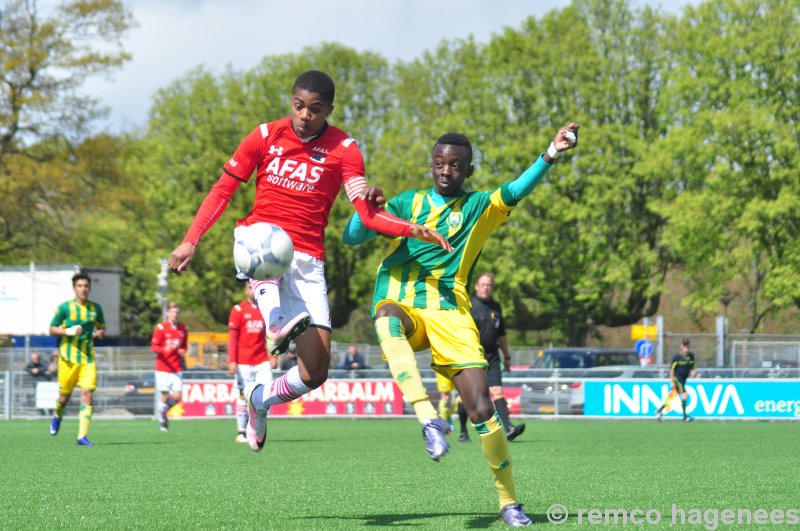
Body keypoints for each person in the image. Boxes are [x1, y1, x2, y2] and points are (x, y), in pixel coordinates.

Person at [167, 70, 451, 453]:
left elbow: (366, 215)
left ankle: (259, 400)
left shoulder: (345, 149)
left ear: (328, 110)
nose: (304, 116)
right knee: (265, 247)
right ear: (292, 102)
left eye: (314, 110)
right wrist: (190, 240)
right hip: (259, 239)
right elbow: (223, 189)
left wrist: (412, 229)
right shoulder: (265, 135)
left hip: (308, 261)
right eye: (298, 106)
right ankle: (277, 324)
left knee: (316, 372)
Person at [343, 124, 579, 526]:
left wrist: (551, 153)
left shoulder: (479, 208)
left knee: (482, 408)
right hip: (405, 303)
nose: (446, 170)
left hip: (452, 314)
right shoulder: (408, 203)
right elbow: (352, 238)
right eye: (439, 163)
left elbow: (517, 189)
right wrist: (364, 207)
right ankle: (427, 416)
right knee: (385, 318)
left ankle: (509, 502)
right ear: (431, 165)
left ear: (469, 171)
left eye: (455, 165)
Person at [457, 272, 525, 443]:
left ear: (492, 288)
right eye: (483, 284)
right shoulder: (468, 304)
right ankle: (463, 431)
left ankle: (508, 428)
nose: (486, 288)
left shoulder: (496, 307)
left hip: (493, 356)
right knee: (467, 395)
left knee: (497, 391)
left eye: (489, 285)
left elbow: (502, 334)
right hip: (471, 355)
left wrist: (507, 356)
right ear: (476, 286)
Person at [48, 272, 106, 446]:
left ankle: (82, 436)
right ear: (74, 288)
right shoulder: (65, 308)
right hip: (67, 359)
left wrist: (99, 333)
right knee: (63, 398)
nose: (83, 289)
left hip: (88, 359)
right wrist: (68, 331)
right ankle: (58, 414)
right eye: (80, 286)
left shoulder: (96, 309)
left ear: (90, 288)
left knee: (87, 393)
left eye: (86, 286)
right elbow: (52, 328)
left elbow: (101, 328)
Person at [228, 282, 274, 443]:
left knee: (266, 394)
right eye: (249, 287)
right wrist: (232, 360)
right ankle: (241, 431)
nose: (252, 290)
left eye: (253, 287)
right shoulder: (238, 310)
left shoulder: (265, 308)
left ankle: (257, 427)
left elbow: (272, 334)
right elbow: (233, 338)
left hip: (262, 360)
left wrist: (273, 355)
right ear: (245, 290)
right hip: (243, 362)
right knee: (242, 395)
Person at [151, 300, 188, 431]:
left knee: (177, 397)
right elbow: (154, 347)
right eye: (172, 312)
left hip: (176, 367)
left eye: (177, 312)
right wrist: (163, 349)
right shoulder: (161, 328)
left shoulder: (183, 328)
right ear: (167, 313)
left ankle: (163, 412)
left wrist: (183, 350)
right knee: (165, 395)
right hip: (163, 368)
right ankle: (162, 420)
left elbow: (184, 346)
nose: (175, 314)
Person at [656, 338, 697, 421]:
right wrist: (672, 381)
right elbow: (671, 370)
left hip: (684, 380)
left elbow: (692, 367)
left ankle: (659, 410)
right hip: (677, 379)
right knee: (685, 395)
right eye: (684, 346)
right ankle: (685, 416)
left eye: (687, 346)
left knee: (673, 396)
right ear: (681, 347)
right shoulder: (677, 357)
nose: (686, 348)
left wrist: (693, 372)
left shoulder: (691, 356)